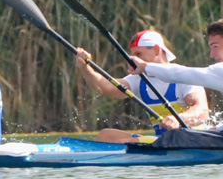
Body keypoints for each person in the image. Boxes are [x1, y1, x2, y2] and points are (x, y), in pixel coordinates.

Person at [128, 16, 223, 139]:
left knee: (177, 137)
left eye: (215, 46)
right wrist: (218, 129)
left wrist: (145, 67)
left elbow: (185, 74)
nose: (212, 55)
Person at [73, 29, 209, 144]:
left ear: (156, 50)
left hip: (191, 139)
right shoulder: (139, 79)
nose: (133, 59)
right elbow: (104, 88)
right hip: (162, 141)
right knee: (106, 135)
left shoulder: (182, 75)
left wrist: (179, 119)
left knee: (127, 142)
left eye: (139, 54)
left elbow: (202, 111)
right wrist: (86, 68)